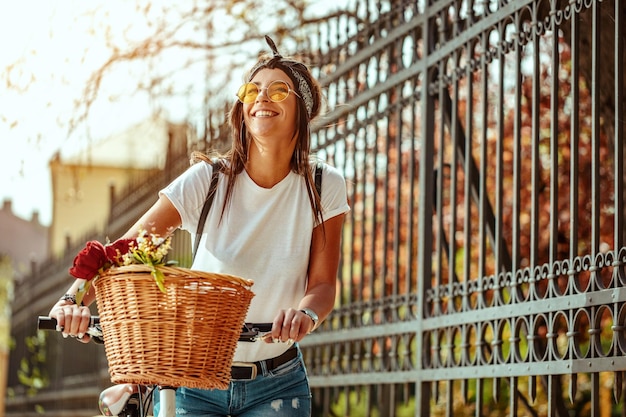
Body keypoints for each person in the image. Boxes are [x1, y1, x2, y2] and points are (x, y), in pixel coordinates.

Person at [48, 35, 350, 417]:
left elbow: (323, 285)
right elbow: (124, 252)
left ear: (301, 110)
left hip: (277, 382)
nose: (262, 98)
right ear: (241, 109)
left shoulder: (323, 185)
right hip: (195, 379)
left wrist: (305, 314)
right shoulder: (207, 180)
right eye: (252, 90)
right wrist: (72, 300)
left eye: (278, 90)